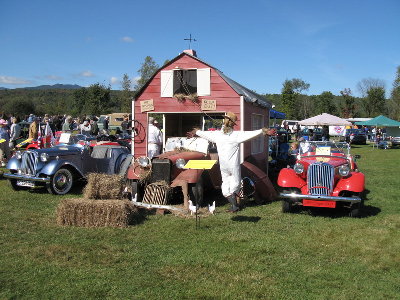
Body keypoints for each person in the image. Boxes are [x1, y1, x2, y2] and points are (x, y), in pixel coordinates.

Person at [188, 112, 276, 213]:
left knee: (226, 184)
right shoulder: (236, 135)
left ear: (224, 122)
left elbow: (204, 134)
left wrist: (196, 132)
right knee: (235, 183)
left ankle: (234, 205)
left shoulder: (217, 135)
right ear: (233, 124)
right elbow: (251, 134)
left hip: (223, 165)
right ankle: (234, 205)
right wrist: (263, 131)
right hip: (233, 165)